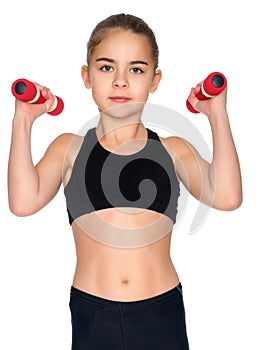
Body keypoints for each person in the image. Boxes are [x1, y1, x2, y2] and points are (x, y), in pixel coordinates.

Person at [8, 13, 242, 350]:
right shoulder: (69, 149)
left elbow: (228, 196)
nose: (120, 81)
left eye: (136, 69)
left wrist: (217, 112)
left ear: (154, 79)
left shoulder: (172, 150)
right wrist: (24, 119)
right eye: (106, 68)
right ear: (87, 76)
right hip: (92, 313)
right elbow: (22, 202)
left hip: (159, 312)